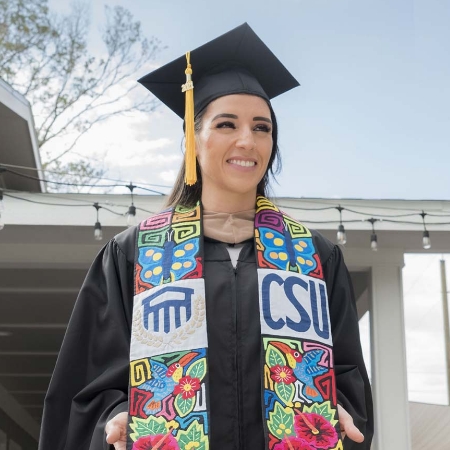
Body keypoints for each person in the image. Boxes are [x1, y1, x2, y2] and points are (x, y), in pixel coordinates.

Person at [39, 23, 373, 450]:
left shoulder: (314, 256)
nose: (247, 140)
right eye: (226, 124)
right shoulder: (134, 254)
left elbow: (346, 374)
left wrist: (340, 409)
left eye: (262, 127)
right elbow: (86, 385)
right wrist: (114, 419)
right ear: (192, 139)